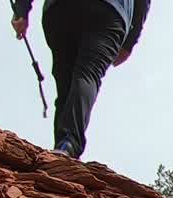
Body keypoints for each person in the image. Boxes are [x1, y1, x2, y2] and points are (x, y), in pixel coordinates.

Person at [11, 0, 151, 159]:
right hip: (109, 11)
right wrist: (130, 41)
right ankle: (68, 143)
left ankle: (62, 147)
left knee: (66, 82)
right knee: (87, 73)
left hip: (60, 9)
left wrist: (22, 10)